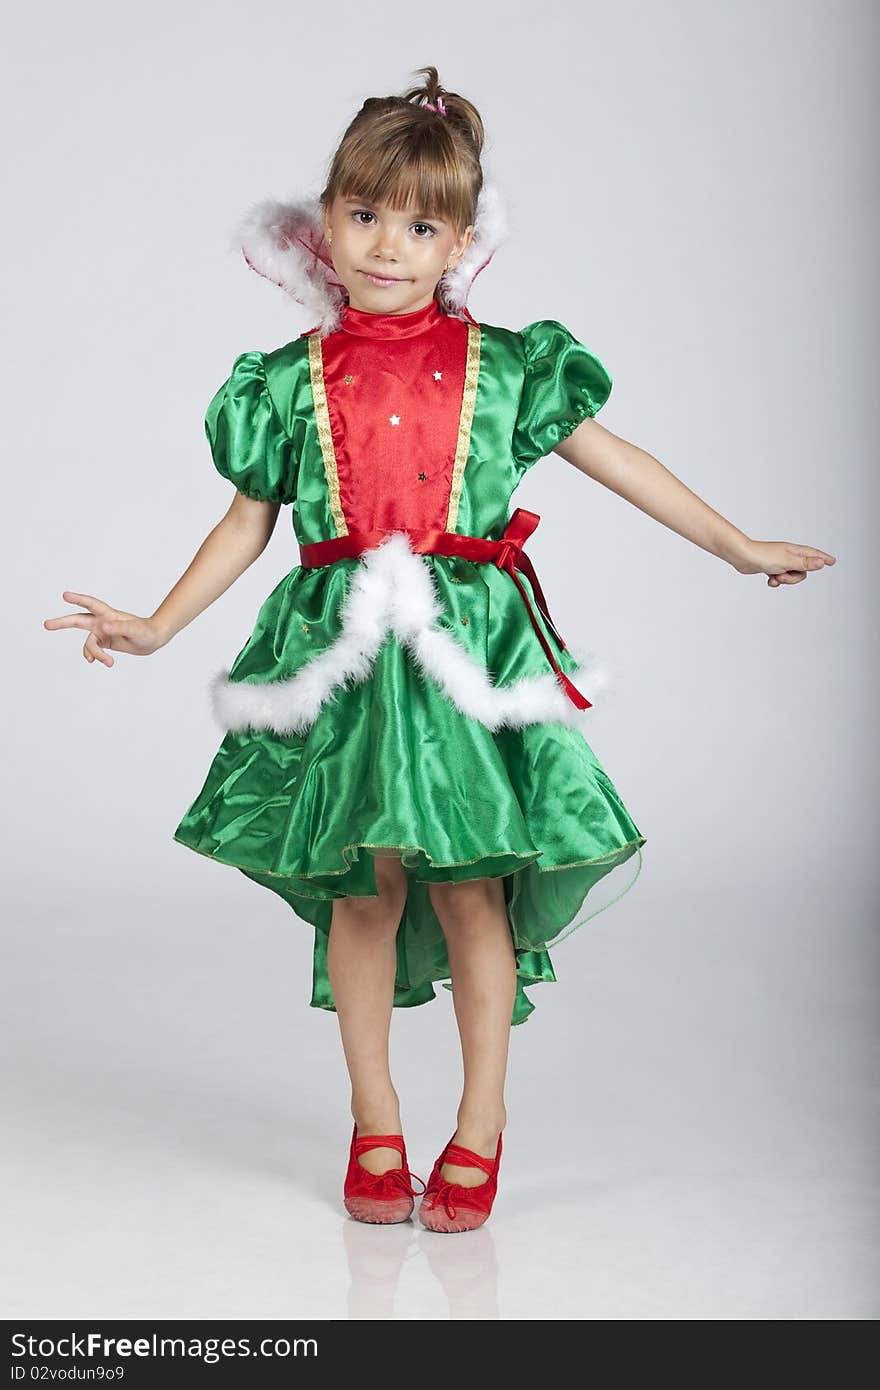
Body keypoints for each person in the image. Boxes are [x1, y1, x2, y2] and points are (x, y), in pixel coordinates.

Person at [43, 66, 836, 1235]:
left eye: (419, 225)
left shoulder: (510, 366)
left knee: (474, 890)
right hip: (347, 662)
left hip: (468, 657)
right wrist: (157, 625)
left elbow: (616, 460)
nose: (386, 245)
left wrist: (732, 543)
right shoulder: (283, 382)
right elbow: (245, 524)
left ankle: (479, 1122)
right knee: (360, 891)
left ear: (461, 240)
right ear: (324, 219)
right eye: (363, 215)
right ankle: (373, 1115)